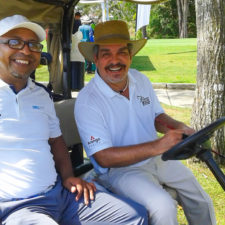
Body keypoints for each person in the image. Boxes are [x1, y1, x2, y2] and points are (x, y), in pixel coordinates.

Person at [0, 15, 148, 225]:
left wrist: (68, 177)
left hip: (60, 195)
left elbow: (56, 140)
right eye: (14, 42)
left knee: (134, 216)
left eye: (33, 45)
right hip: (17, 208)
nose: (25, 50)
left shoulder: (40, 95)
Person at [75, 20, 217, 225]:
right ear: (95, 59)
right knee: (164, 206)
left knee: (201, 200)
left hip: (158, 158)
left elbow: (155, 117)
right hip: (120, 171)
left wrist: (178, 127)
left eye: (122, 53)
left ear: (131, 55)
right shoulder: (88, 100)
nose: (115, 60)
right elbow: (104, 158)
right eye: (106, 54)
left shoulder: (139, 80)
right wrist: (158, 145)